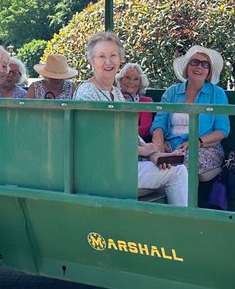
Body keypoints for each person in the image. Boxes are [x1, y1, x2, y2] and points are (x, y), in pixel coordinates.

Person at [74, 31, 187, 206]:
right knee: (177, 172)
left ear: (120, 59)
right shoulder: (86, 92)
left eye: (113, 55)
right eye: (101, 56)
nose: (108, 62)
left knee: (174, 167)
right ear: (91, 61)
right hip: (100, 173)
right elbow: (99, 142)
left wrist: (155, 154)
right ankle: (183, 228)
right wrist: (144, 152)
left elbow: (130, 134)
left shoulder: (116, 93)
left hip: (120, 167)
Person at [150, 45, 230, 178]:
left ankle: (182, 199)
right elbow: (159, 123)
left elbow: (222, 131)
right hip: (171, 146)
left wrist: (196, 142)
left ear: (209, 72)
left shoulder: (217, 94)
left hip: (204, 147)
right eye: (194, 62)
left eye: (205, 64)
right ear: (187, 67)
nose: (199, 67)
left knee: (179, 163)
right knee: (148, 156)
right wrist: (158, 148)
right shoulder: (172, 92)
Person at [119, 61, 155, 141]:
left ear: (140, 82)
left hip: (136, 142)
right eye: (127, 77)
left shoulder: (145, 101)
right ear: (120, 79)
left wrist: (119, 132)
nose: (131, 82)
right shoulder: (113, 97)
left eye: (136, 79)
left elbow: (145, 129)